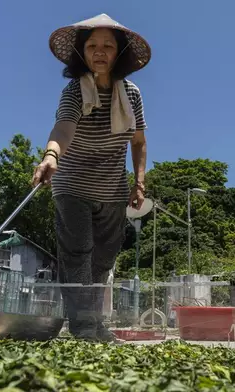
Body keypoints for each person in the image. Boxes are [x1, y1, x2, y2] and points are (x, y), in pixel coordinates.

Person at [32, 14, 151, 342]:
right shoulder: (73, 92)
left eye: (108, 46)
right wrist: (51, 155)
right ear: (82, 53)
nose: (100, 52)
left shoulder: (132, 94)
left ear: (119, 53)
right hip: (72, 183)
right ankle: (84, 328)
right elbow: (63, 128)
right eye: (92, 46)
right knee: (78, 252)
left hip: (112, 187)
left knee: (103, 258)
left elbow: (138, 142)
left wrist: (139, 183)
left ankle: (94, 323)